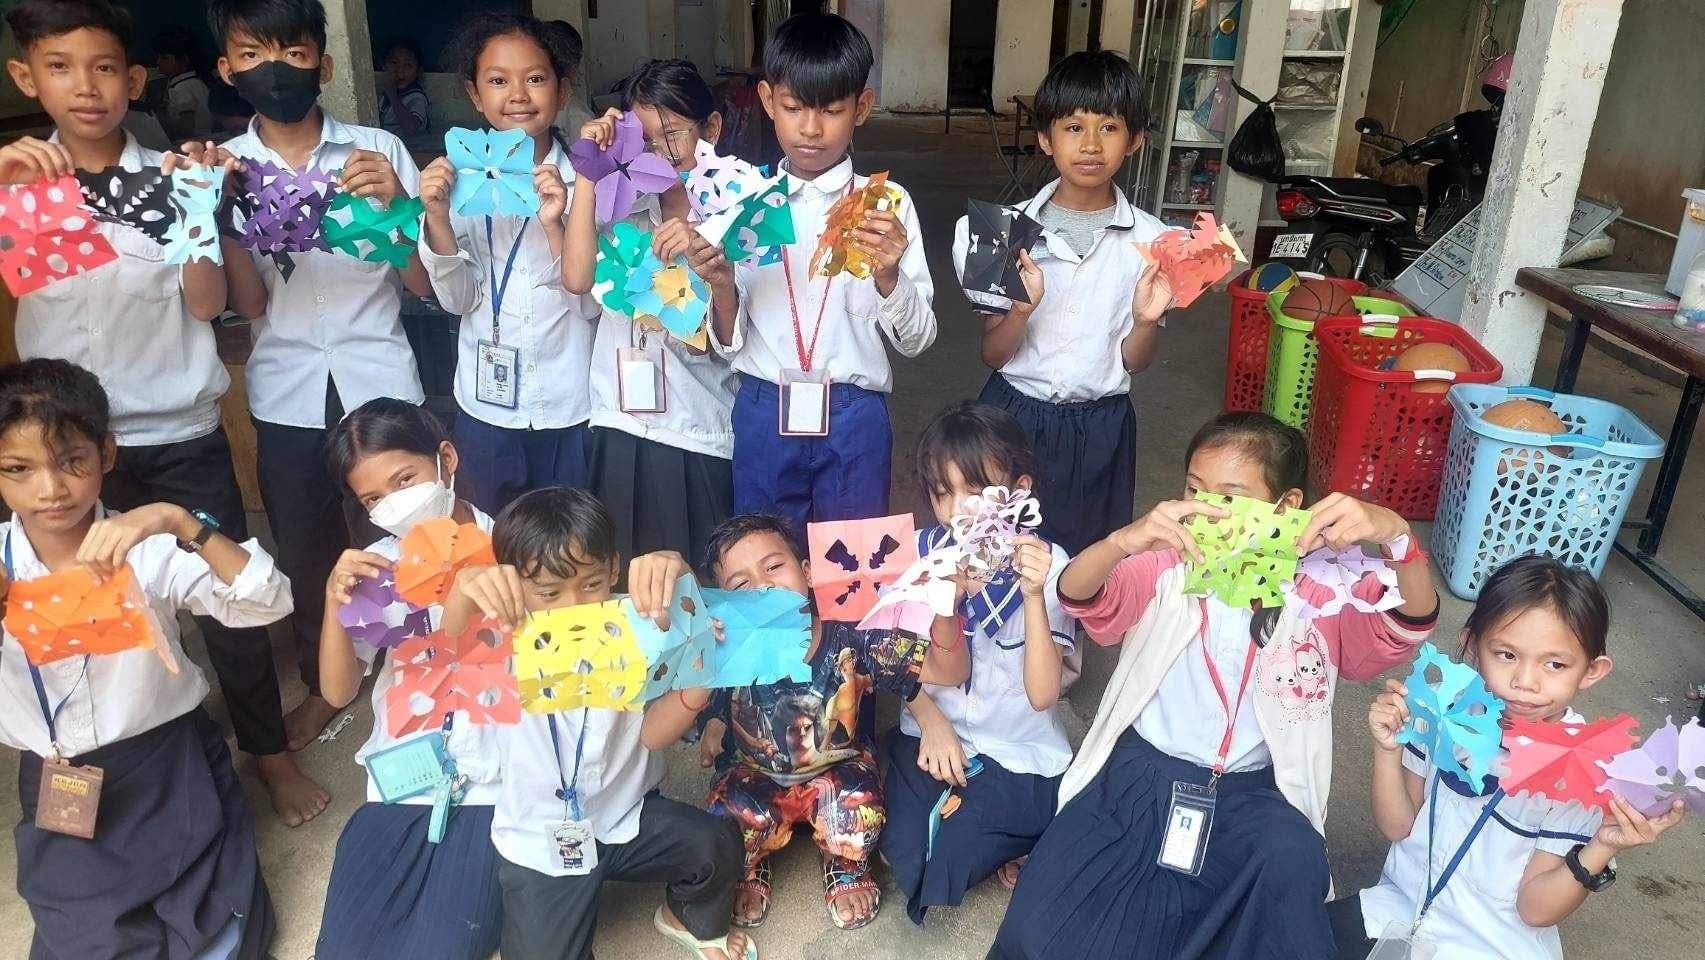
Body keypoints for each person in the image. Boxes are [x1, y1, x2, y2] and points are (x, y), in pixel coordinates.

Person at [0, 0, 328, 826]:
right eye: (60, 67)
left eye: (105, 68)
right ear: (25, 77)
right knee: (83, 601)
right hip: (65, 453)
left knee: (228, 605)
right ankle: (112, 755)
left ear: (135, 79)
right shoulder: (20, 186)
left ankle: (268, 752)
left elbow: (207, 304)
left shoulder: (171, 175)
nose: (86, 87)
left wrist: (197, 209)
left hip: (176, 432)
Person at [992, 412, 1442, 960]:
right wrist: (1123, 541)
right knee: (1041, 931)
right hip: (1140, 777)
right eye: (1194, 490)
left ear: (1287, 505)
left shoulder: (1323, 587)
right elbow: (1079, 593)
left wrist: (1397, 535)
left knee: (1290, 873)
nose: (1207, 510)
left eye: (1230, 496)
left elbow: (1408, 619)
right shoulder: (1166, 565)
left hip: (1254, 795)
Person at [0, 359, 292, 959]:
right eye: (18, 469)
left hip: (167, 761)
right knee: (88, 940)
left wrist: (179, 521)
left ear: (107, 454)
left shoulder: (149, 549)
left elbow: (268, 602)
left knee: (212, 927)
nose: (50, 489)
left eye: (72, 461)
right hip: (58, 776)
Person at [203, 0, 437, 749]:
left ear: (324, 65)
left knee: (412, 536)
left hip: (380, 377)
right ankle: (324, 682)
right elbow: (246, 305)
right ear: (227, 69)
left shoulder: (376, 149)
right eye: (252, 55)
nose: (274, 70)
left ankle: (429, 667)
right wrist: (222, 222)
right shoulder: (225, 168)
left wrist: (397, 207)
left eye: (294, 54)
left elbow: (423, 286)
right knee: (306, 550)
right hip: (287, 389)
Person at [445, 487, 756, 960]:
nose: (575, 607)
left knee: (717, 844)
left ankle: (682, 916)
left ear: (613, 568)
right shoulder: (500, 636)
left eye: (591, 584)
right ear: (513, 585)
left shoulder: (636, 621)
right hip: (541, 841)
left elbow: (655, 730)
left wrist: (678, 571)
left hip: (625, 812)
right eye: (549, 593)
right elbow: (451, 650)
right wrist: (464, 591)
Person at [1329, 556, 1687, 960]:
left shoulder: (1583, 772)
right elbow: (1398, 826)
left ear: (1591, 671)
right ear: (1472, 646)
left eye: (1555, 664)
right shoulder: (1443, 713)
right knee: (1289, 935)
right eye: (1506, 655)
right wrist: (1388, 751)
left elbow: (1535, 910)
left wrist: (1602, 846)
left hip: (1491, 945)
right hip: (1395, 911)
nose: (1525, 682)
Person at [647, 513, 969, 930]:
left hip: (837, 774)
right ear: (724, 603)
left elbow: (951, 671)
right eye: (741, 585)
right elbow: (655, 735)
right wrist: (709, 707)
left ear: (808, 571)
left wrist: (945, 612)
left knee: (860, 813)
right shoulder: (724, 654)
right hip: (755, 777)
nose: (763, 587)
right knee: (724, 826)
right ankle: (750, 862)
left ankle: (843, 861)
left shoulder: (853, 638)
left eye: (773, 566)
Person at [708, 12, 935, 538]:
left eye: (831, 110)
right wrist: (720, 286)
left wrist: (888, 275)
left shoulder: (886, 205)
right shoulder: (742, 202)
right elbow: (727, 340)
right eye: (793, 108)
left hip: (854, 416)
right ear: (768, 101)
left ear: (862, 107)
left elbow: (918, 340)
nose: (811, 129)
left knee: (854, 561)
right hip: (764, 405)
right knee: (765, 557)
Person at [953, 50, 1171, 556]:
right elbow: (993, 354)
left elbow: (1135, 362)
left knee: (1087, 561)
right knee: (995, 554)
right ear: (1046, 139)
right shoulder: (1000, 231)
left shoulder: (1155, 243)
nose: (1091, 144)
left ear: (1135, 139)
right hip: (1011, 414)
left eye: (1109, 127)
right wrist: (1020, 312)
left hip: (1101, 425)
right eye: (1074, 127)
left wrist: (1145, 322)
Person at [313, 399, 504, 960]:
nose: (394, 504)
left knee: (445, 946)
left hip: (493, 779)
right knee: (343, 950)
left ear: (446, 459)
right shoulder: (377, 568)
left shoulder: (514, 546)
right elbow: (337, 692)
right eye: (373, 498)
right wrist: (332, 603)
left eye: (404, 479)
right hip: (403, 770)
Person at [878, 401, 1080, 923]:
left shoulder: (1049, 565)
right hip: (930, 735)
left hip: (1018, 749)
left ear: (1020, 490)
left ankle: (1014, 833)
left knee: (952, 855)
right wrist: (931, 722)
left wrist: (1033, 595)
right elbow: (890, 658)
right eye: (943, 493)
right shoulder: (917, 554)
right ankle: (993, 832)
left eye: (975, 490)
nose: (957, 511)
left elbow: (1043, 695)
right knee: (902, 851)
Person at [563, 59, 738, 568]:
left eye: (673, 134)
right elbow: (577, 277)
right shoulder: (621, 208)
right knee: (621, 580)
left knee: (693, 584)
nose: (658, 152)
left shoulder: (735, 214)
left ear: (711, 128)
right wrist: (591, 169)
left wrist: (711, 259)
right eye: (643, 140)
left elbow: (733, 338)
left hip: (694, 426)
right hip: (620, 421)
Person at [418, 11, 591, 515]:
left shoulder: (587, 183)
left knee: (570, 542)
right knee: (492, 537)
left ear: (562, 90)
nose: (518, 95)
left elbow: (592, 306)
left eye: (535, 78)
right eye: (498, 81)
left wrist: (559, 222)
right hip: (485, 408)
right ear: (474, 94)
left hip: (570, 401)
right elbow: (458, 301)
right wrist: (437, 218)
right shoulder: (457, 184)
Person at [153, 24, 213, 141]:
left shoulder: (182, 88)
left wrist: (160, 114)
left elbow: (186, 129)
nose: (158, 62)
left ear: (184, 60)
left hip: (190, 142)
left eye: (165, 58)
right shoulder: (197, 82)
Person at [377, 37, 430, 136]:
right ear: (384, 66)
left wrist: (392, 95)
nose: (400, 70)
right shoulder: (384, 94)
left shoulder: (417, 97)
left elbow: (411, 128)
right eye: (394, 63)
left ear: (418, 72)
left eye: (408, 65)